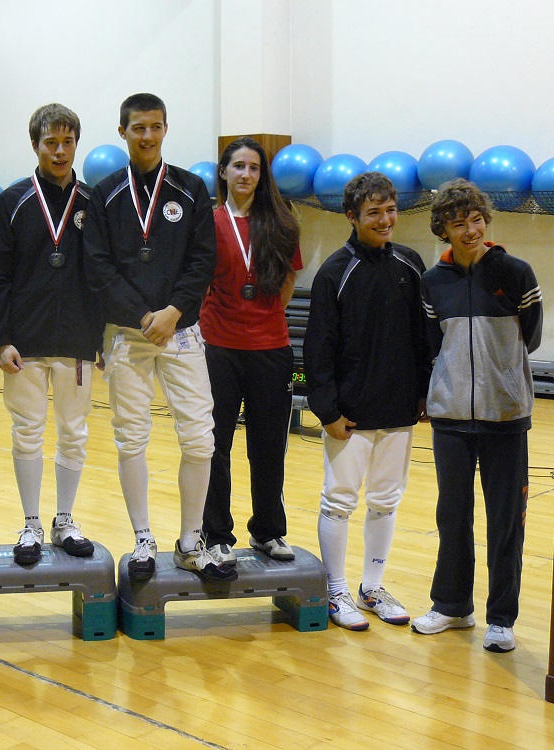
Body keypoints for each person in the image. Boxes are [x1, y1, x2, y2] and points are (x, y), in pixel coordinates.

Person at [82, 92, 223, 580]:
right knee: (131, 440)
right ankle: (143, 539)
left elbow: (203, 258)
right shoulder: (103, 194)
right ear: (122, 132)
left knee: (200, 438)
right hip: (128, 333)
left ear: (166, 129)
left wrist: (175, 311)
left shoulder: (190, 188)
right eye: (138, 128)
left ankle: (190, 539)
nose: (147, 136)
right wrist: (144, 316)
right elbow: (97, 266)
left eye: (155, 127)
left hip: (182, 332)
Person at [413, 178, 542, 652]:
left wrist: (500, 378)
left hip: (506, 416)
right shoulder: (432, 282)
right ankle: (452, 606)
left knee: (506, 519)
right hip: (449, 419)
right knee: (453, 515)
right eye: (458, 222)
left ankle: (501, 618)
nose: (470, 229)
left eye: (476, 219)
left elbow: (531, 337)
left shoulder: (517, 272)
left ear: (486, 220)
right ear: (442, 228)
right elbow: (432, 347)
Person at [303, 172, 429, 631]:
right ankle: (335, 590)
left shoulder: (412, 264)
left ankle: (371, 586)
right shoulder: (335, 272)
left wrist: (422, 394)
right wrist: (328, 410)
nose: (385, 219)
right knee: (339, 501)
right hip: (349, 416)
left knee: (386, 500)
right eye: (374, 212)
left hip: (398, 412)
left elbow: (422, 338)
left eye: (391, 209)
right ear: (352, 216)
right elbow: (318, 349)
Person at [0, 103, 102, 565]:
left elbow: (102, 275)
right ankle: (31, 523)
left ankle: (64, 519)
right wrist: (2, 339)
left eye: (67, 142)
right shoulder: (12, 203)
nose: (59, 151)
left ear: (76, 144)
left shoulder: (93, 204)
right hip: (24, 344)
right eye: (50, 142)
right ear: (35, 145)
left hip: (76, 343)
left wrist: (100, 338)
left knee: (74, 433)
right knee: (27, 432)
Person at [199, 136, 303, 577]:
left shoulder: (280, 222)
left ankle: (267, 529)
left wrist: (261, 321)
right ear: (223, 172)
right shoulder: (207, 222)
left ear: (263, 176)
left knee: (268, 446)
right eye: (238, 166)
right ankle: (216, 535)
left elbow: (288, 283)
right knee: (214, 444)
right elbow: (197, 282)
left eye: (254, 168)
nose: (246, 174)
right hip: (217, 349)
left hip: (271, 350)